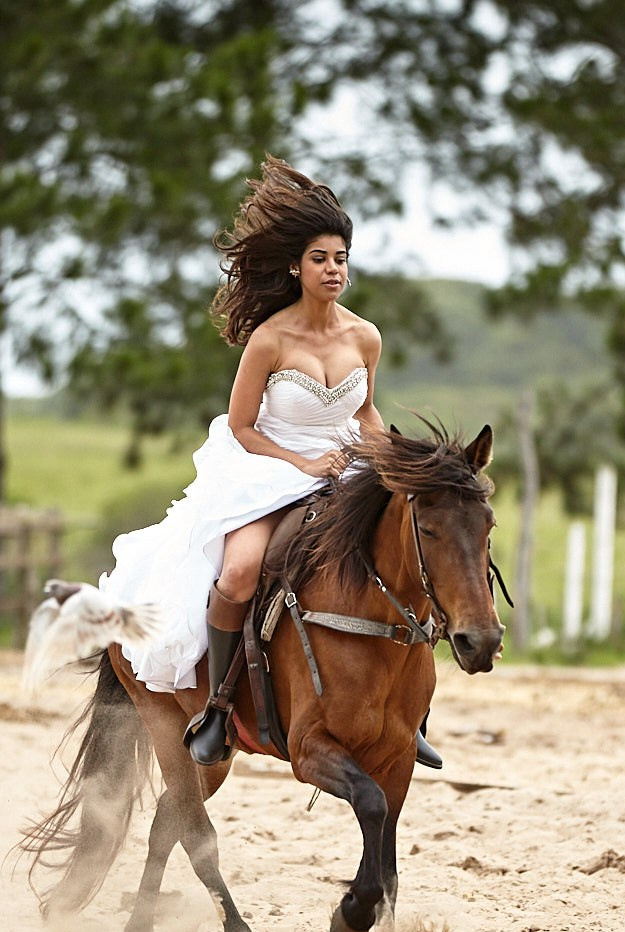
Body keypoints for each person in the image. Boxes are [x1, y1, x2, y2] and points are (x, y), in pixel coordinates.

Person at [99, 156, 441, 769]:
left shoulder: (366, 336)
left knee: (407, 550)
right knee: (238, 573)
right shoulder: (271, 339)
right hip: (265, 467)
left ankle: (407, 713)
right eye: (320, 259)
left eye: (340, 258)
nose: (333, 269)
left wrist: (380, 450)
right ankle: (219, 709)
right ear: (296, 266)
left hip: (346, 466)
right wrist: (303, 464)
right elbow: (241, 426)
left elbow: (363, 410)